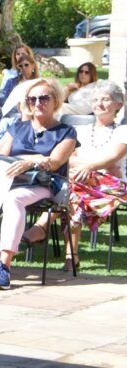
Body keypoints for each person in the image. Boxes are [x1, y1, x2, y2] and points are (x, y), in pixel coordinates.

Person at [0, 79, 78, 290]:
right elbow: (2, 154)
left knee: (14, 199)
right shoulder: (17, 126)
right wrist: (31, 157)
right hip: (10, 177)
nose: (38, 103)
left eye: (44, 98)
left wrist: (30, 161)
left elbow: (55, 162)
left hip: (43, 181)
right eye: (33, 99)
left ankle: (4, 265)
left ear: (55, 101)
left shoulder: (66, 132)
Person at [64, 82, 127, 271]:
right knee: (73, 194)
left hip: (113, 186)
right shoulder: (81, 131)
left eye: (105, 99)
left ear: (118, 105)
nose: (99, 103)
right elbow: (67, 157)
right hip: (83, 184)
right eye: (96, 99)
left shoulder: (123, 131)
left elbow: (112, 157)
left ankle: (67, 252)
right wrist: (94, 167)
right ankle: (71, 256)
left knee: (70, 190)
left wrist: (88, 165)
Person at [0, 45, 39, 118]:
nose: (24, 68)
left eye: (26, 65)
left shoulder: (39, 82)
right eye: (21, 66)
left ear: (32, 65)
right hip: (13, 115)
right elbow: (2, 98)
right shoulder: (11, 79)